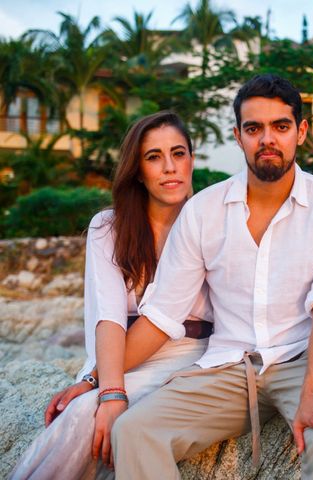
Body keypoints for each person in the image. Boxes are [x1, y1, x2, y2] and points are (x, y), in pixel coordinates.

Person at [110, 74, 313, 480]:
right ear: (238, 135)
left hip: (305, 359)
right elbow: (161, 315)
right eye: (253, 128)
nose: (267, 139)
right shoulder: (203, 211)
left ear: (300, 131)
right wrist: (95, 380)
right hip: (230, 367)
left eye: (280, 127)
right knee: (134, 431)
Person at [10, 111, 213, 480]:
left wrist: (100, 385)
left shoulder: (210, 223)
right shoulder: (108, 226)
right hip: (115, 354)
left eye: (178, 153)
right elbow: (108, 316)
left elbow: (167, 322)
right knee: (82, 413)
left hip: (186, 357)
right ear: (137, 170)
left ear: (192, 159)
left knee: (86, 416)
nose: (169, 167)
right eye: (154, 157)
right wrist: (101, 383)